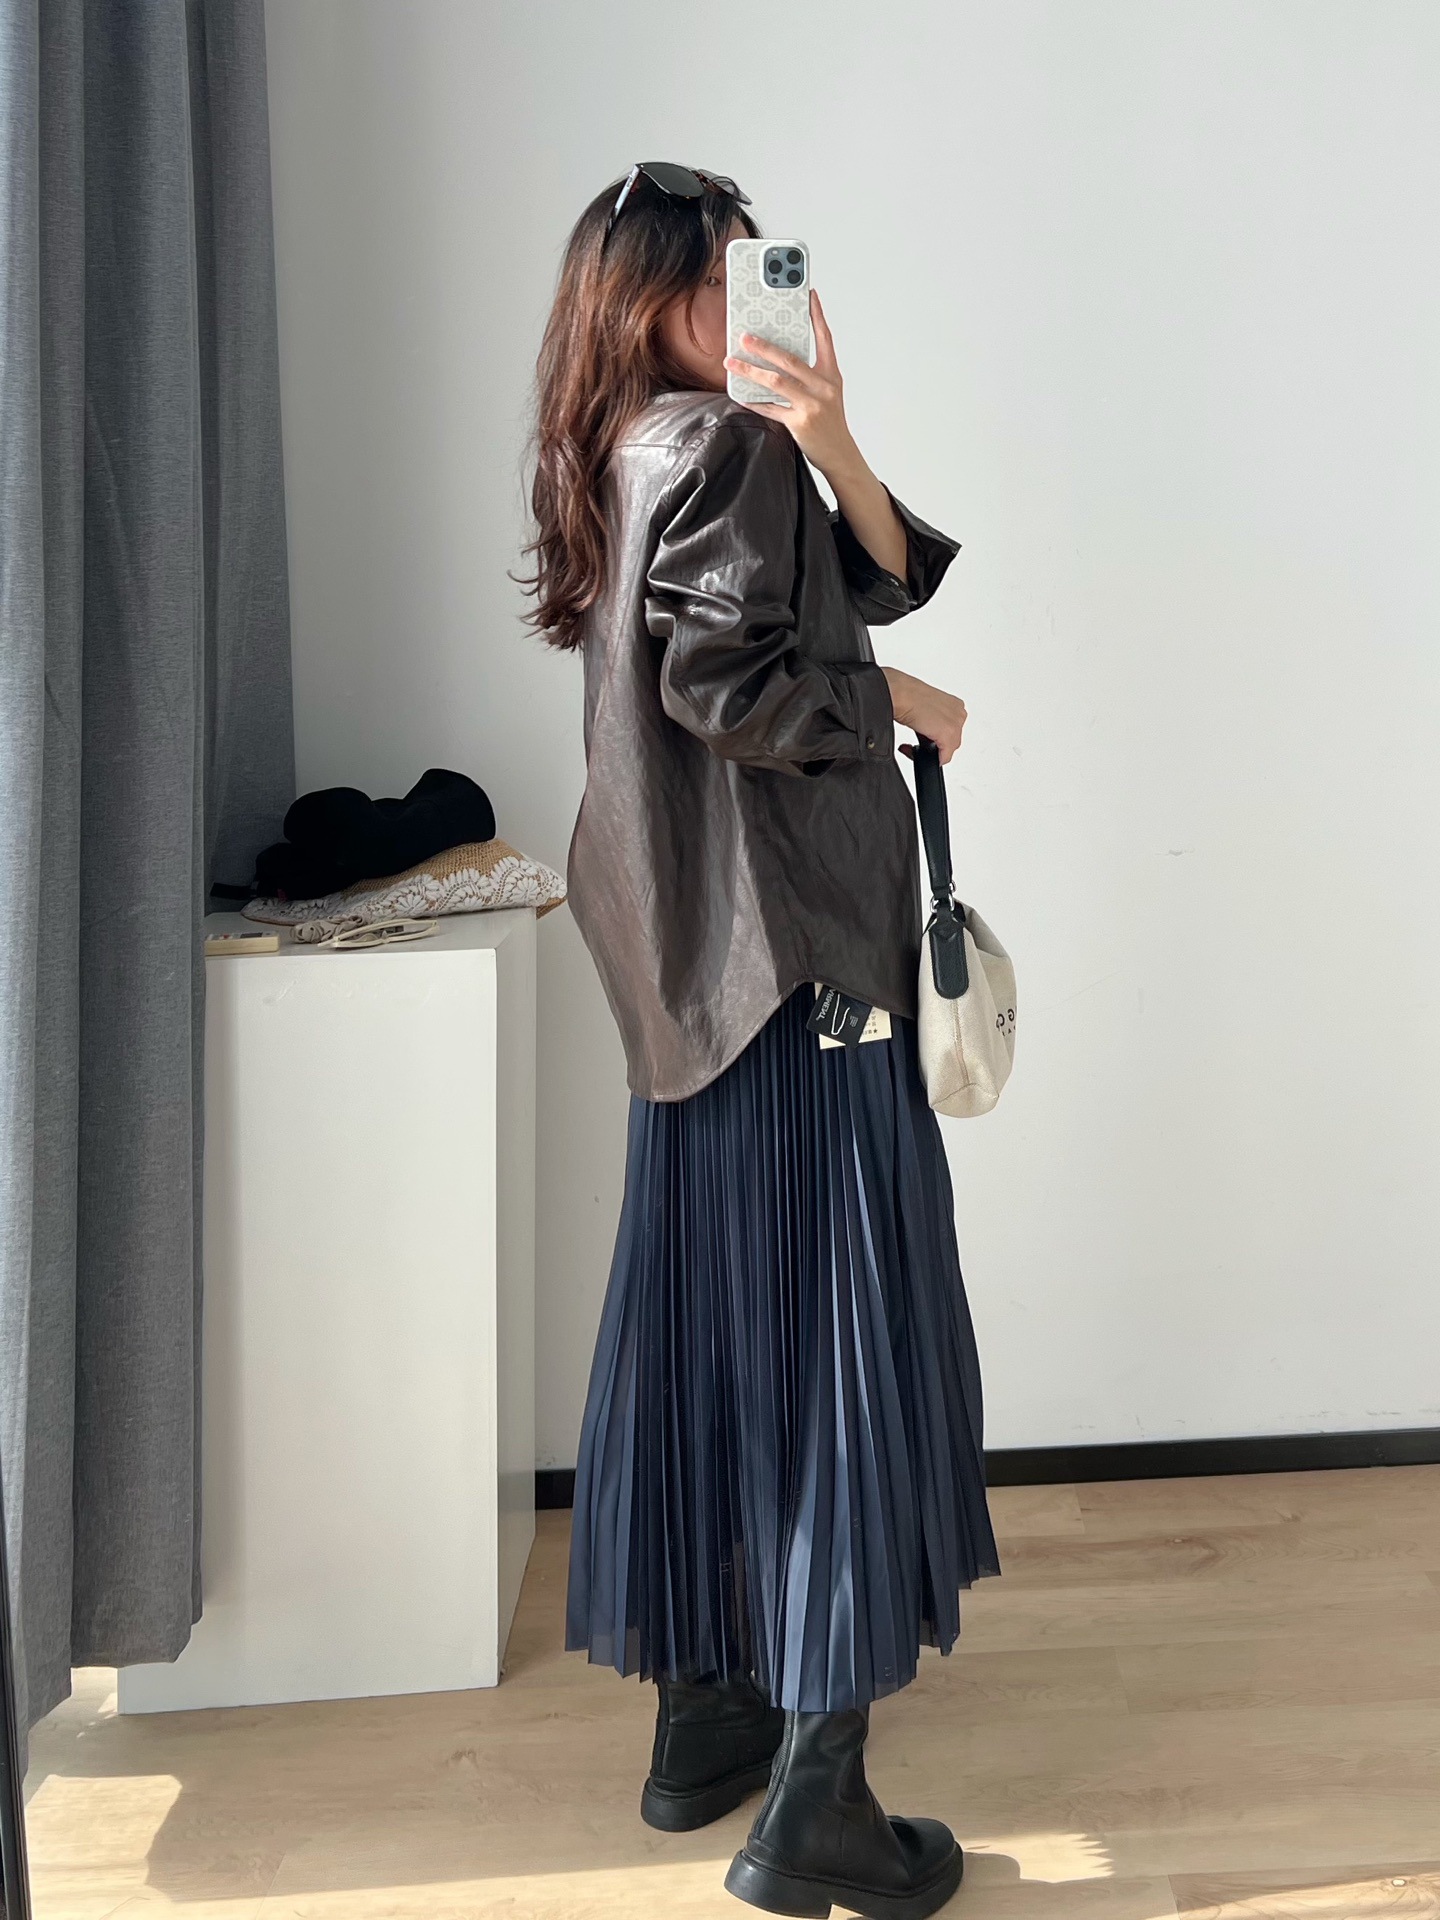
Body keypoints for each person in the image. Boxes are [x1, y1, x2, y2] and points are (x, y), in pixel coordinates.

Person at [521, 162, 1000, 1920]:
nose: (752, 302)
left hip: (688, 980)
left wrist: (835, 433)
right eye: (724, 278)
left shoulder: (631, 447)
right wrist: (899, 706)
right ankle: (820, 1807)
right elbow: (732, 687)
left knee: (721, 1333)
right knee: (836, 1352)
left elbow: (868, 581)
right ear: (647, 298)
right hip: (797, 972)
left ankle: (707, 1719)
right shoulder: (722, 450)